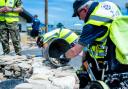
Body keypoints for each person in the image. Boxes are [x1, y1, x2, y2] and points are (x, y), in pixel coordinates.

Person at [58, 0, 123, 88]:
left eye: (78, 15)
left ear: (84, 10)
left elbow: (74, 51)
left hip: (104, 62)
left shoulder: (92, 23)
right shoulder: (110, 5)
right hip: (121, 52)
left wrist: (62, 57)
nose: (79, 18)